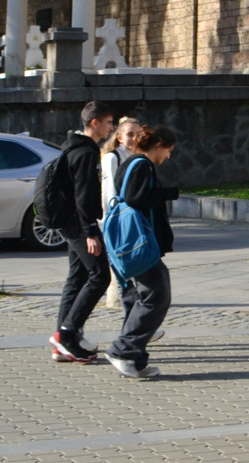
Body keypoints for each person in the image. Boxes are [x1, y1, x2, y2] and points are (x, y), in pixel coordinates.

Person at [108, 123, 180, 379]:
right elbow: (136, 197)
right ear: (158, 145)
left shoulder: (130, 162)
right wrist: (169, 193)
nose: (168, 156)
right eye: (169, 150)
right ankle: (123, 350)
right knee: (156, 297)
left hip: (129, 246)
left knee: (139, 299)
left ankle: (134, 360)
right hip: (139, 246)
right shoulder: (141, 164)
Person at [50, 102, 116, 363]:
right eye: (109, 122)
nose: (112, 127)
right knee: (100, 276)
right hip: (79, 224)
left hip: (71, 222)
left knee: (77, 277)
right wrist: (90, 231)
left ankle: (63, 342)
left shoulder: (72, 146)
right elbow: (84, 196)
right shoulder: (85, 153)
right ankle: (66, 334)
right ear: (95, 123)